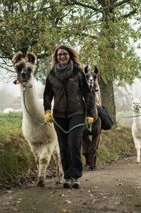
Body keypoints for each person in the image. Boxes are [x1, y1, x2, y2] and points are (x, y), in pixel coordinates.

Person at [43, 44, 94, 189]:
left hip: (77, 113)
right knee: (63, 146)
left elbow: (87, 93)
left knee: (73, 143)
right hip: (59, 115)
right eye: (59, 55)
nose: (62, 57)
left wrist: (89, 114)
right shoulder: (52, 74)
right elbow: (47, 95)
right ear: (56, 57)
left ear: (69, 56)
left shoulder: (78, 72)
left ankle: (76, 176)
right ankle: (67, 175)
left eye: (64, 54)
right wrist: (47, 111)